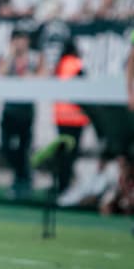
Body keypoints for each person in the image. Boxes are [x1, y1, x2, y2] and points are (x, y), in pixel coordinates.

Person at [0, 29, 46, 199]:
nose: (20, 43)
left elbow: (43, 76)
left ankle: (22, 182)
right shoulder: (6, 57)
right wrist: (11, 56)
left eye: (22, 39)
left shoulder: (35, 58)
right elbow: (1, 74)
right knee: (6, 147)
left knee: (23, 148)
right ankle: (22, 177)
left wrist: (32, 78)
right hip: (10, 109)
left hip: (26, 110)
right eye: (16, 39)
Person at [52, 40, 89, 193]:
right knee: (71, 155)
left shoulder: (59, 65)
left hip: (61, 117)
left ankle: (59, 184)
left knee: (62, 154)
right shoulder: (77, 64)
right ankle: (65, 187)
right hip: (76, 118)